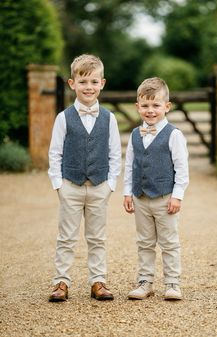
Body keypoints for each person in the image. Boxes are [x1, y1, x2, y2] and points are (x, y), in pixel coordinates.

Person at [48, 54, 121, 302]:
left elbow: (115, 153)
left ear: (102, 83)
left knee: (97, 237)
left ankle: (98, 281)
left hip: (100, 186)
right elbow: (55, 153)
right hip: (70, 185)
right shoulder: (63, 118)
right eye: (83, 82)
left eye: (93, 82)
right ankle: (61, 282)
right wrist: (59, 184)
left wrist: (111, 184)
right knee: (66, 236)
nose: (88, 87)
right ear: (72, 84)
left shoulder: (109, 118)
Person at [123, 77, 189, 300]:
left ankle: (172, 283)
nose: (150, 111)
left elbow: (182, 169)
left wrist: (177, 196)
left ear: (166, 107)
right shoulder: (134, 134)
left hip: (165, 197)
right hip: (141, 197)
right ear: (137, 106)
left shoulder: (174, 135)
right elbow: (129, 165)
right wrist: (127, 192)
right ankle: (145, 282)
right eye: (145, 105)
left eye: (156, 105)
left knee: (169, 242)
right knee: (144, 242)